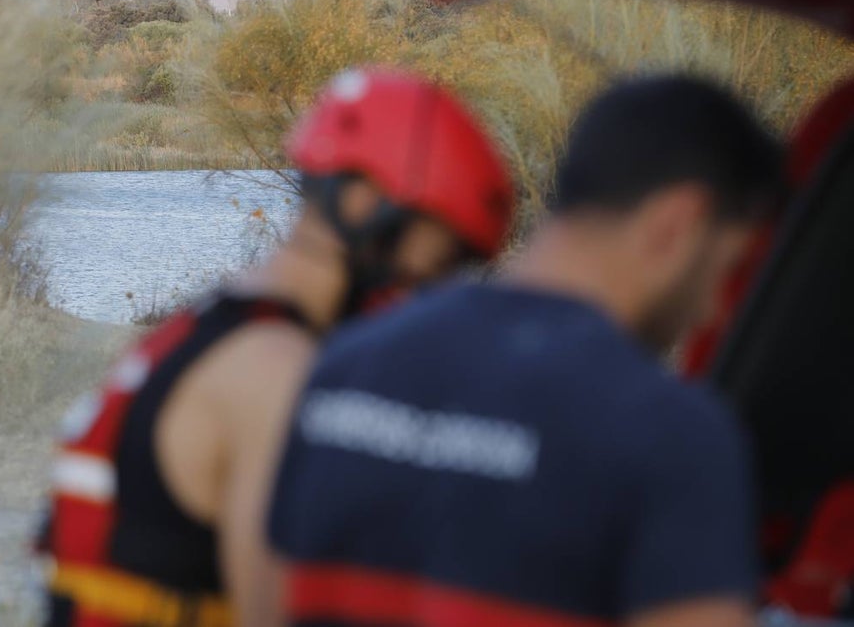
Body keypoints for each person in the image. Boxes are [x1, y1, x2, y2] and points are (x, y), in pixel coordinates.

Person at [268, 75, 785, 627]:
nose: (714, 310)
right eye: (727, 268)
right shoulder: (676, 437)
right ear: (677, 224)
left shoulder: (342, 368)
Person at [34, 68, 515, 627]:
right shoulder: (275, 372)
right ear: (365, 201)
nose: (440, 283)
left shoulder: (212, 323)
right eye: (444, 253)